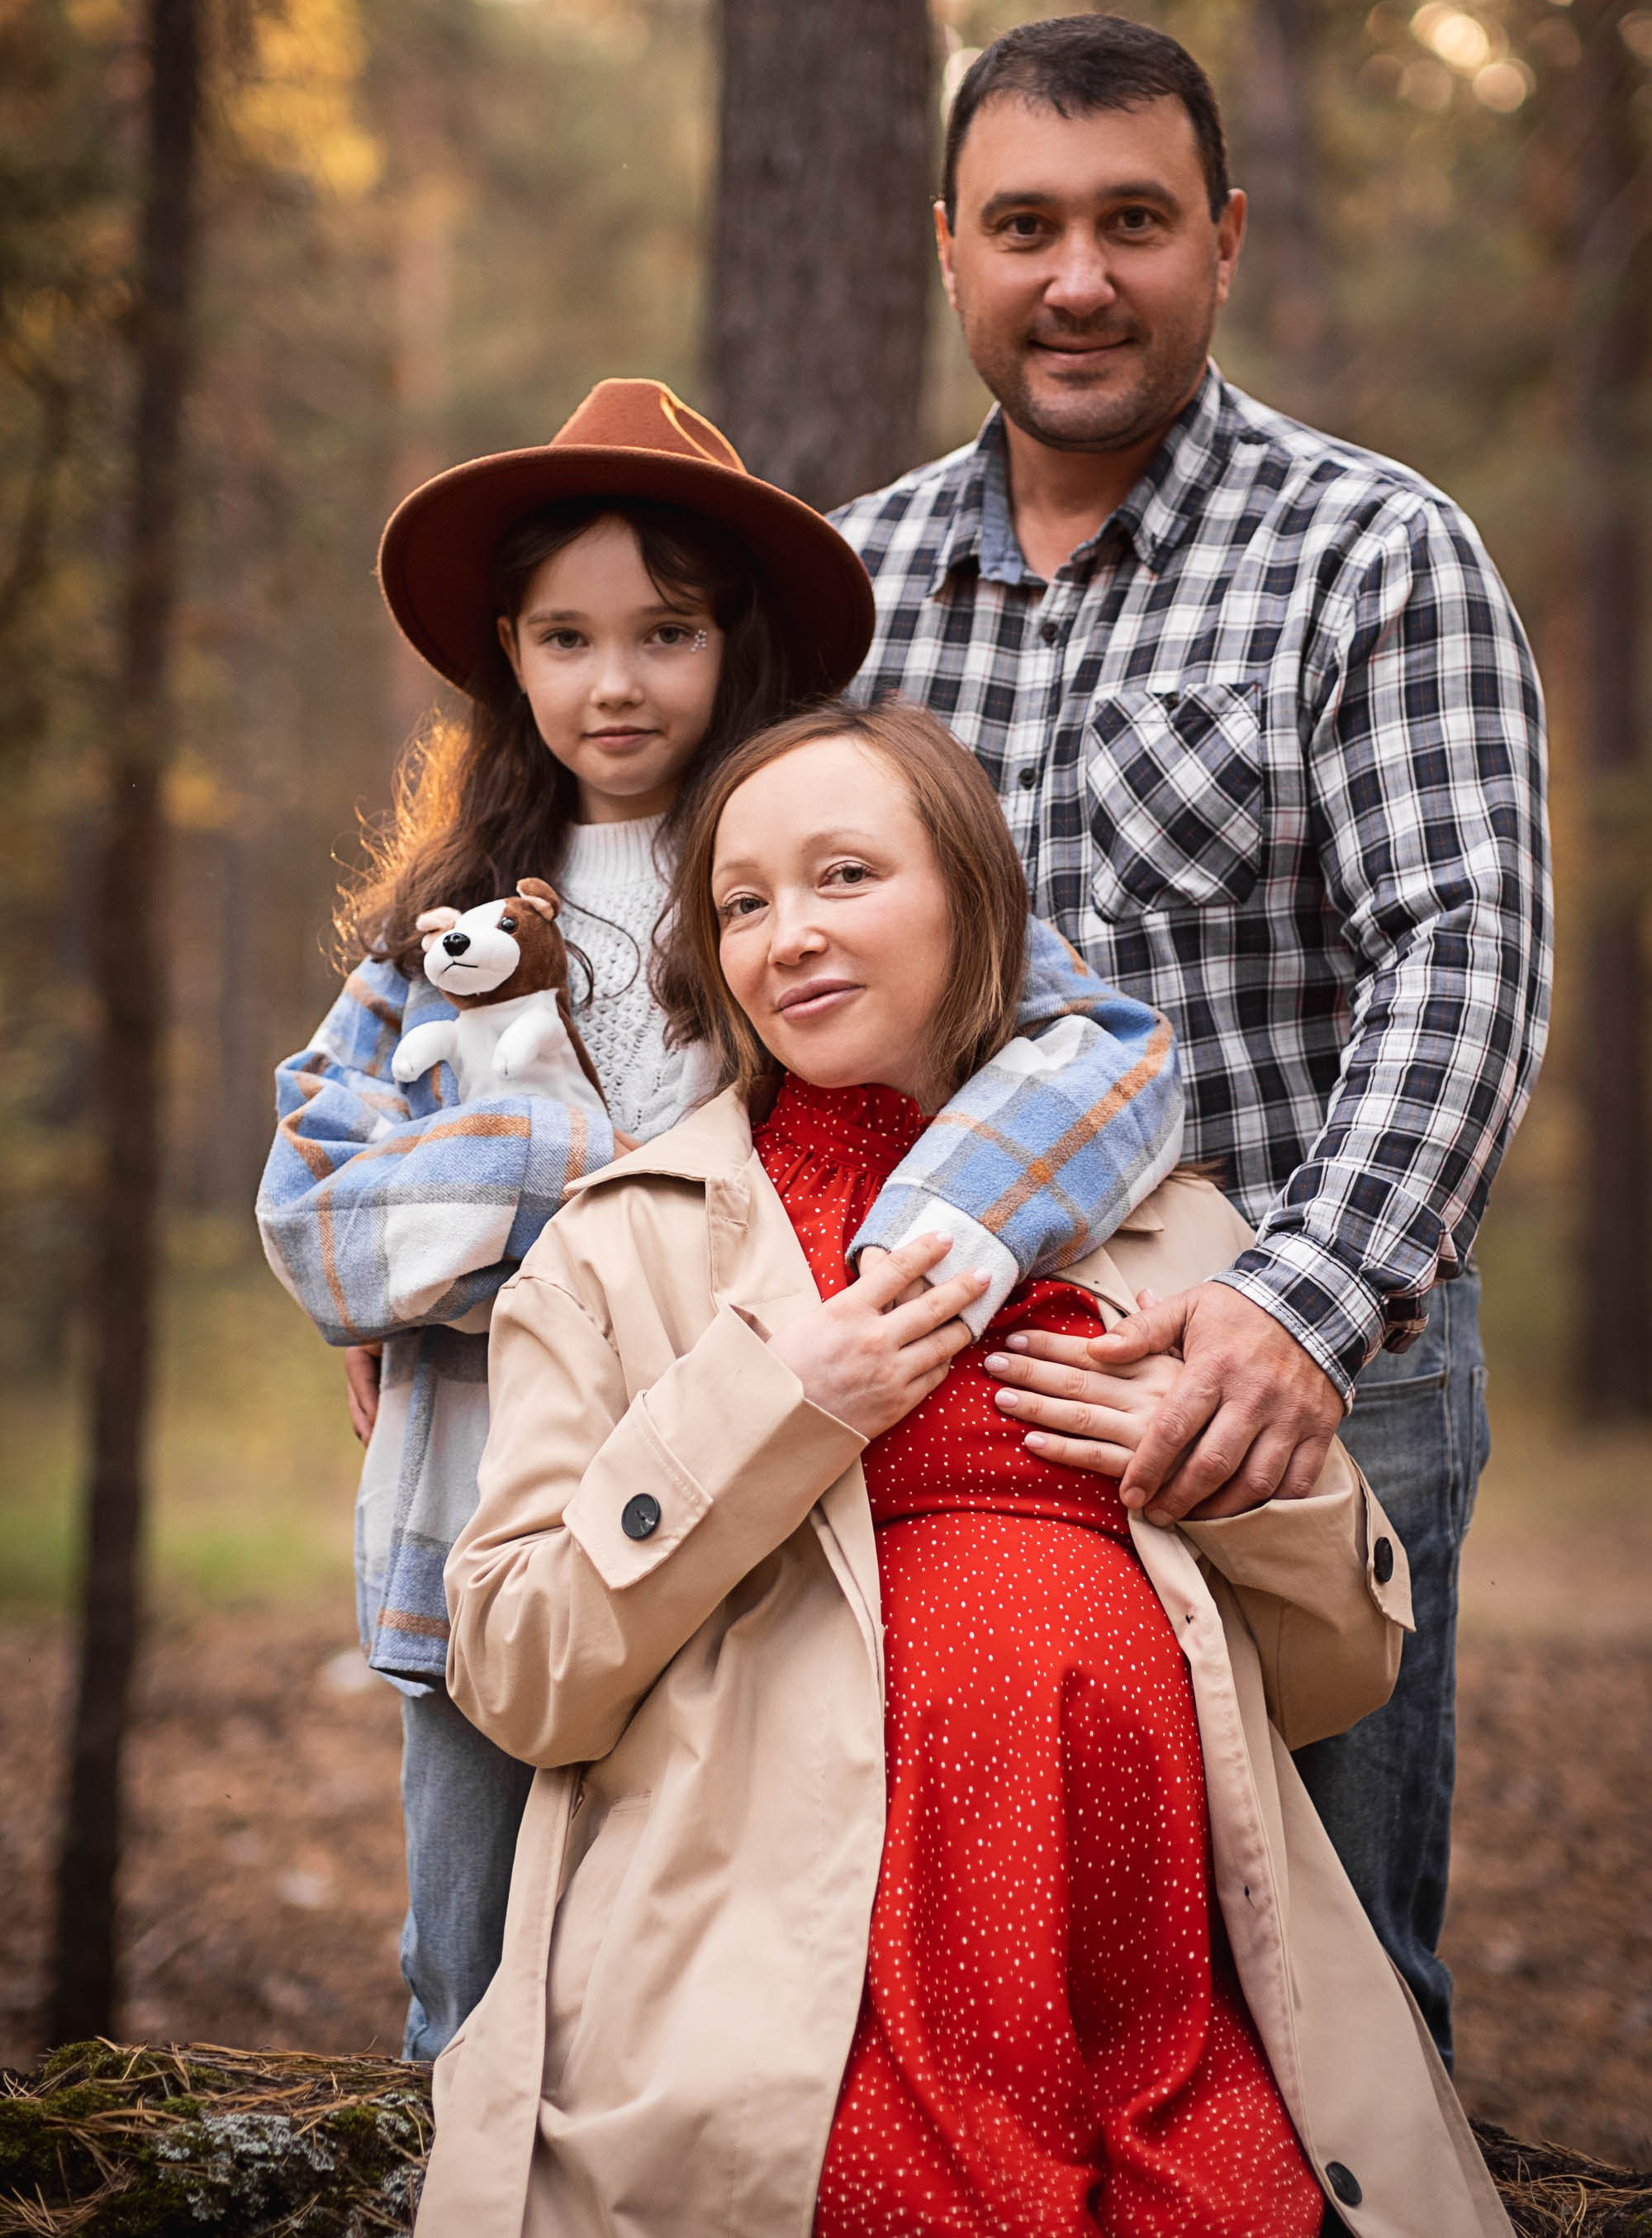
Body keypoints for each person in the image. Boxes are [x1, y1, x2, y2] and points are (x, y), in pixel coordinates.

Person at [415, 698, 1512, 2238]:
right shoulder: (624, 1249)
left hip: (1161, 2031)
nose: (789, 934)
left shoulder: (1179, 1237)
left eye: (846, 875)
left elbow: (1337, 1679)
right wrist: (769, 1408)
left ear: (976, 902)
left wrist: (1232, 1477)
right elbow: (519, 1669)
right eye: (743, 904)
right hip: (796, 2031)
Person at [256, 378, 1185, 2062]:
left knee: (693, 1962)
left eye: (665, 633)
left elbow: (1106, 1053)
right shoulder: (436, 936)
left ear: (732, 639)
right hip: (492, 1528)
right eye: (565, 639)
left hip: (755, 1494)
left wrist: (929, 1231)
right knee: (472, 1982)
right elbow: (317, 1214)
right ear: (508, 656)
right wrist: (588, 1186)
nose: (614, 684)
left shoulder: (791, 876)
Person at [832, 12, 1551, 2060]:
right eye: (1025, 227)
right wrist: (456, 1257)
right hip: (935, 1394)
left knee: (1320, 2004)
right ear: (949, 248)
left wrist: (1295, 1317)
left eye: (1132, 222)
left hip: (1300, 1390)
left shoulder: (1369, 551)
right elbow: (712, 960)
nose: (1078, 278)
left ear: (1220, 239)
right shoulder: (850, 590)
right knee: (966, 1987)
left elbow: (1464, 953)